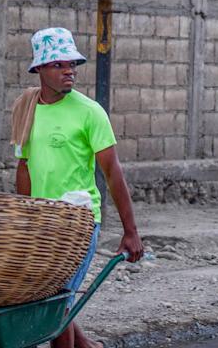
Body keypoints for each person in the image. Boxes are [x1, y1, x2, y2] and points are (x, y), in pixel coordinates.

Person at [11, 26, 144, 348]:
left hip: (80, 222)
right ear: (40, 69)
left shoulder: (89, 112)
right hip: (42, 220)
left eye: (72, 64)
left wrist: (130, 231)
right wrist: (23, 215)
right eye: (59, 65)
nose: (69, 70)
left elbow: (112, 173)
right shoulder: (26, 108)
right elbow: (24, 166)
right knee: (55, 299)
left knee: (58, 300)